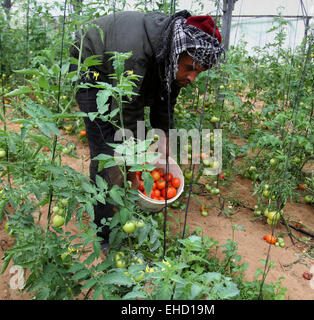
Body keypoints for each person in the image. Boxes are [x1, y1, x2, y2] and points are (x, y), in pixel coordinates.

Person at [68, 10, 224, 251]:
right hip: (93, 64)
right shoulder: (136, 54)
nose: (192, 77)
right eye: (189, 68)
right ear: (176, 55)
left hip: (129, 73)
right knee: (107, 149)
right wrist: (134, 172)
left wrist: (165, 150)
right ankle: (104, 232)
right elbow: (129, 111)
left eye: (199, 72)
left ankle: (120, 199)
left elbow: (165, 105)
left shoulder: (173, 57)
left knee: (130, 147)